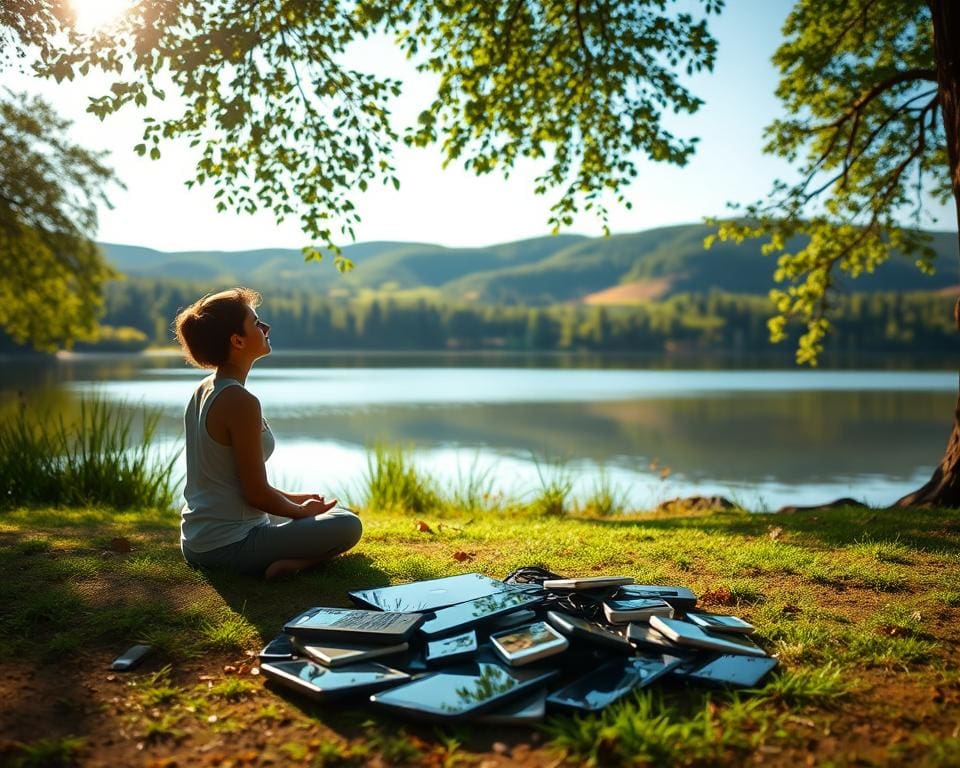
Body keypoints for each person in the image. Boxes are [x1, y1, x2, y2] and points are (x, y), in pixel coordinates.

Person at [173, 287, 362, 579]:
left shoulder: (205, 389)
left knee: (334, 512)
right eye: (256, 323)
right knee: (348, 524)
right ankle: (296, 563)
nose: (266, 327)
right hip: (229, 546)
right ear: (237, 340)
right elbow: (255, 493)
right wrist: (303, 513)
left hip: (197, 541)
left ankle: (290, 553)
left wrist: (297, 500)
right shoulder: (241, 402)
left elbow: (237, 485)